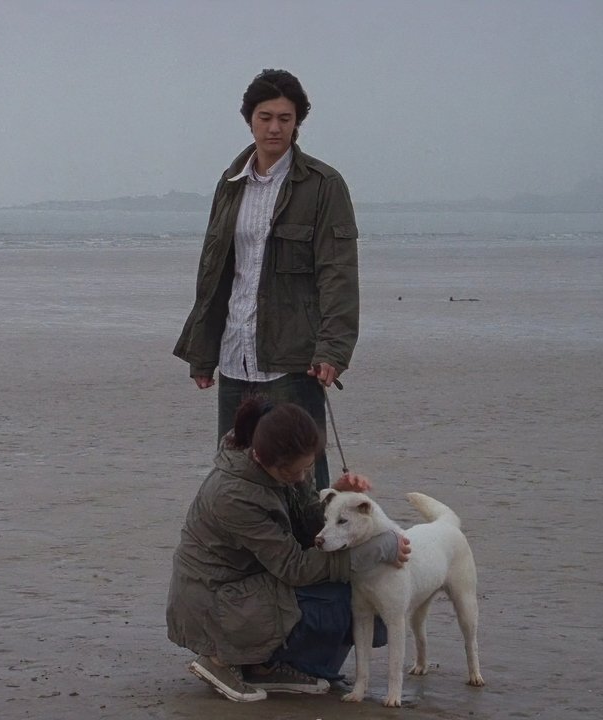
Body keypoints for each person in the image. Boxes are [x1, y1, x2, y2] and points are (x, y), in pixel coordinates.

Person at [173, 68, 360, 491]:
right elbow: (214, 273)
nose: (274, 127)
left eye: (285, 118)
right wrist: (203, 351)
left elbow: (339, 273)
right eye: (264, 117)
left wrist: (333, 347)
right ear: (249, 119)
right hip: (235, 354)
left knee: (303, 477)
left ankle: (310, 555)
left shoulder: (323, 185)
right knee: (234, 475)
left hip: (294, 360)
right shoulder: (231, 183)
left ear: (298, 123)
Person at [166, 398, 407, 702]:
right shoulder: (234, 496)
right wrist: (374, 550)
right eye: (297, 472)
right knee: (339, 600)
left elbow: (307, 526)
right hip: (212, 600)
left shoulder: (282, 465)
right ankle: (219, 659)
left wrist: (337, 500)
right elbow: (294, 568)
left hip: (248, 584)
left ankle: (263, 664)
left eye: (309, 467)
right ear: (266, 461)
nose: (304, 477)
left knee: (362, 590)